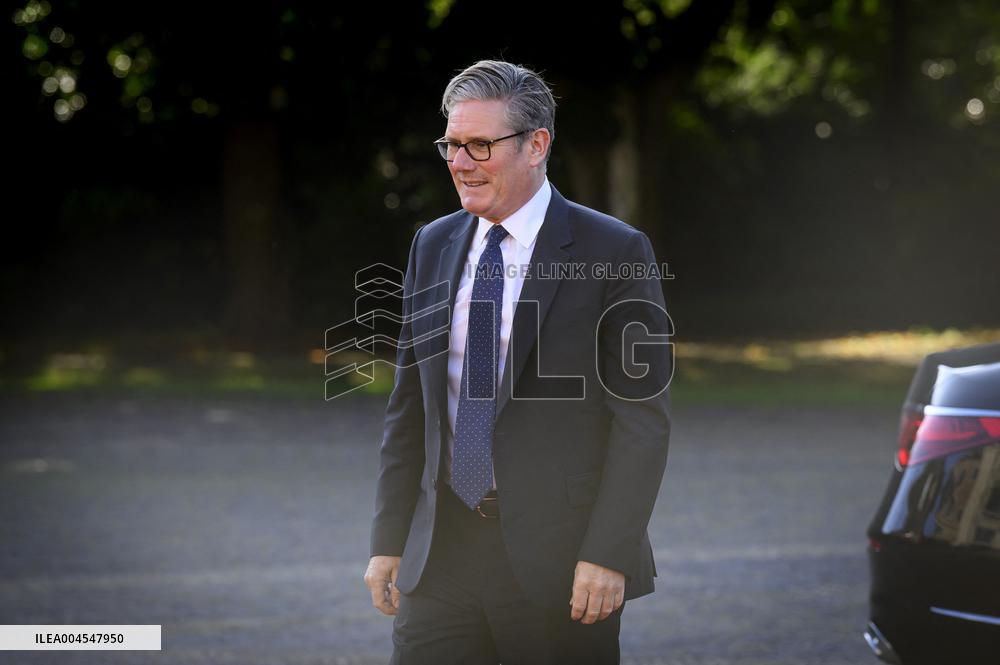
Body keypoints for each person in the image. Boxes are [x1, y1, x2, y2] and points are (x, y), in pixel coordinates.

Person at [363, 60, 672, 665]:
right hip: (441, 554)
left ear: (537, 145)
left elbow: (643, 420)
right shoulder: (433, 242)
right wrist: (389, 540)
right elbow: (410, 406)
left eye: (480, 144)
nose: (459, 161)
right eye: (451, 143)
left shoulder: (616, 250)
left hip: (559, 564)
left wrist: (608, 551)